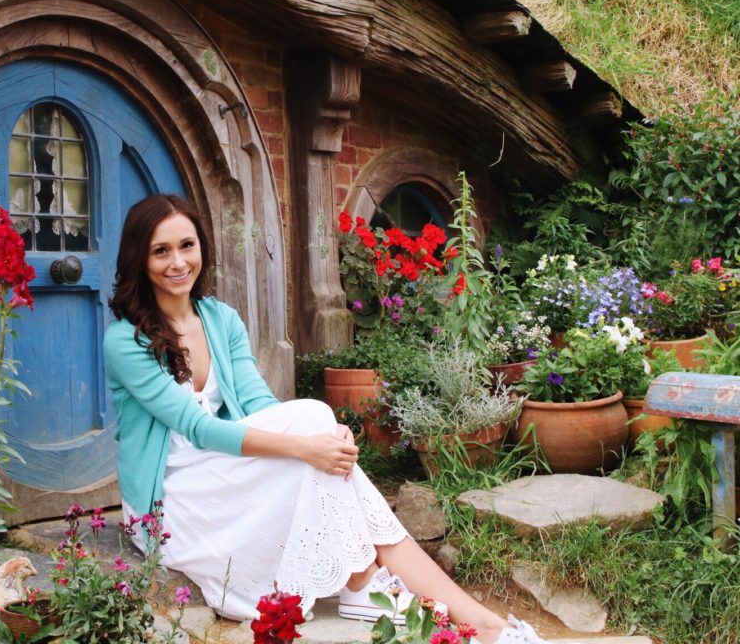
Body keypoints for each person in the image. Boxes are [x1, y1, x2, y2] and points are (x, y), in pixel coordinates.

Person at [103, 194, 552, 644]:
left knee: (322, 435)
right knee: (315, 431)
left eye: (187, 245)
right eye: (161, 251)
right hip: (174, 493)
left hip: (222, 469)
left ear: (203, 247)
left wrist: (323, 437)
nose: (178, 262)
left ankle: (459, 616)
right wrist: (305, 445)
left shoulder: (220, 318)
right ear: (139, 258)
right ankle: (400, 596)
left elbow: (261, 404)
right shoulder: (125, 341)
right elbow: (198, 429)